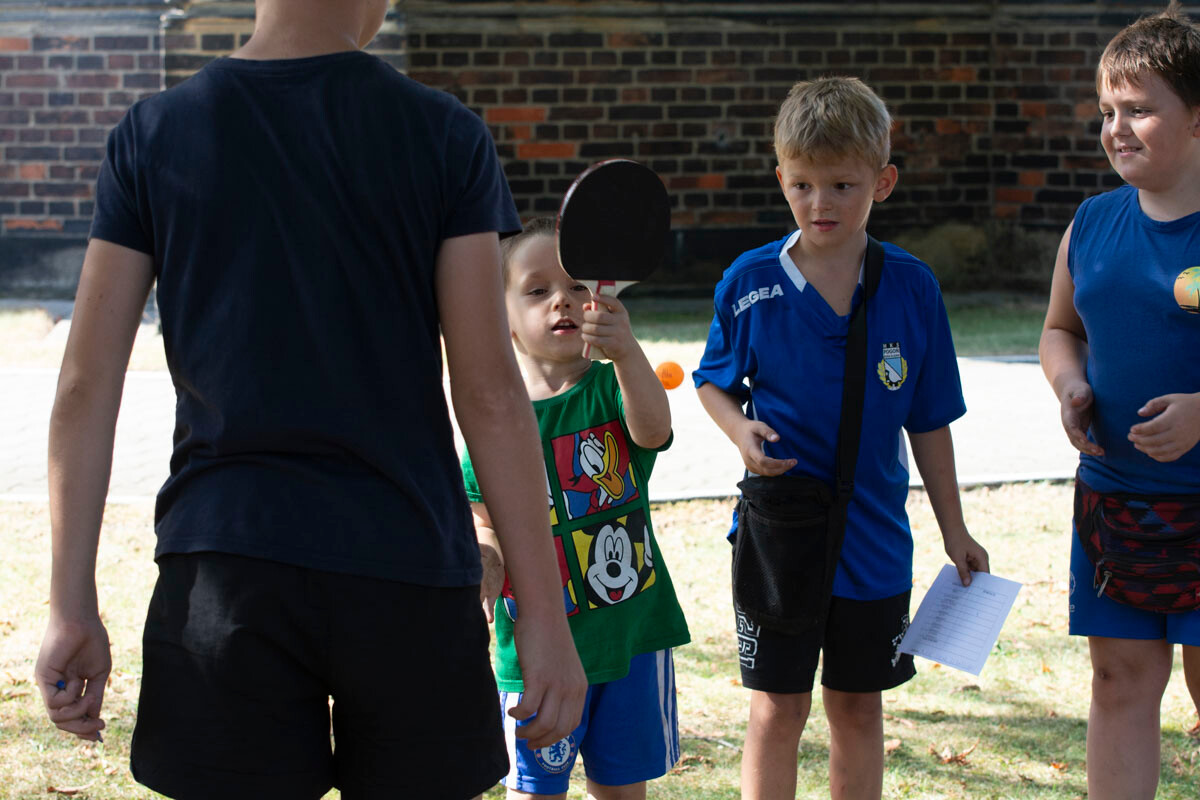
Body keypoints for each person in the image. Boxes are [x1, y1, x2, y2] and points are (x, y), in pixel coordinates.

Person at [33, 1, 586, 798]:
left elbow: (86, 385)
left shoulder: (155, 133)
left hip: (225, 570)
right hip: (405, 569)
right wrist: (543, 614)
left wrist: (71, 602)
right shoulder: (441, 132)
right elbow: (491, 393)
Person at [693, 76, 989, 800]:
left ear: (882, 183)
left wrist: (955, 531)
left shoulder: (912, 287)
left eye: (842, 186)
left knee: (858, 707)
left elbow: (930, 421)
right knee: (777, 708)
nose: (820, 203)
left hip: (875, 541)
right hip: (779, 540)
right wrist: (739, 431)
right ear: (781, 179)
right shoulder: (749, 282)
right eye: (802, 185)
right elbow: (712, 381)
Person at [460, 217, 691, 800]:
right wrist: (486, 561)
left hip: (632, 636)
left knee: (622, 788)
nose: (562, 300)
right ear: (503, 317)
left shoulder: (613, 388)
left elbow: (653, 429)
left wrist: (627, 352)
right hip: (535, 651)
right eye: (537, 290)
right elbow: (482, 518)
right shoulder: (495, 419)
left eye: (576, 286)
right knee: (535, 790)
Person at [1039, 4, 1200, 797]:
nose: (1117, 129)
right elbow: (1059, 330)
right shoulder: (1092, 221)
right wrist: (1069, 383)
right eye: (1107, 111)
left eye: (1138, 110)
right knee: (1118, 681)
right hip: (1115, 498)